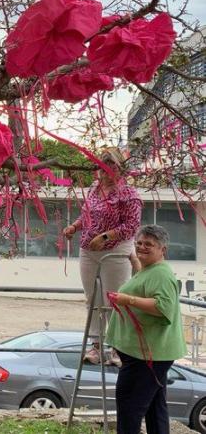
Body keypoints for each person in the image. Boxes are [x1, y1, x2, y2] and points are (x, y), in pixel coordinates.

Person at [63, 147, 142, 365]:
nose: (105, 172)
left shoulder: (129, 194)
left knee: (115, 300)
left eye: (110, 167)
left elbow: (132, 226)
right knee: (93, 299)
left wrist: (106, 237)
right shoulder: (94, 190)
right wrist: (74, 226)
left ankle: (117, 348)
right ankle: (96, 346)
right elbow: (86, 216)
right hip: (89, 250)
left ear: (119, 168)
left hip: (116, 251)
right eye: (102, 167)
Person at [106, 225, 187, 434]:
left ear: (163, 250)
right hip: (149, 354)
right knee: (154, 407)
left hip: (146, 356)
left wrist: (128, 299)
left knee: (130, 407)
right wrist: (134, 261)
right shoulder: (149, 270)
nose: (142, 247)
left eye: (148, 244)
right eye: (139, 243)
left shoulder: (160, 274)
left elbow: (163, 307)